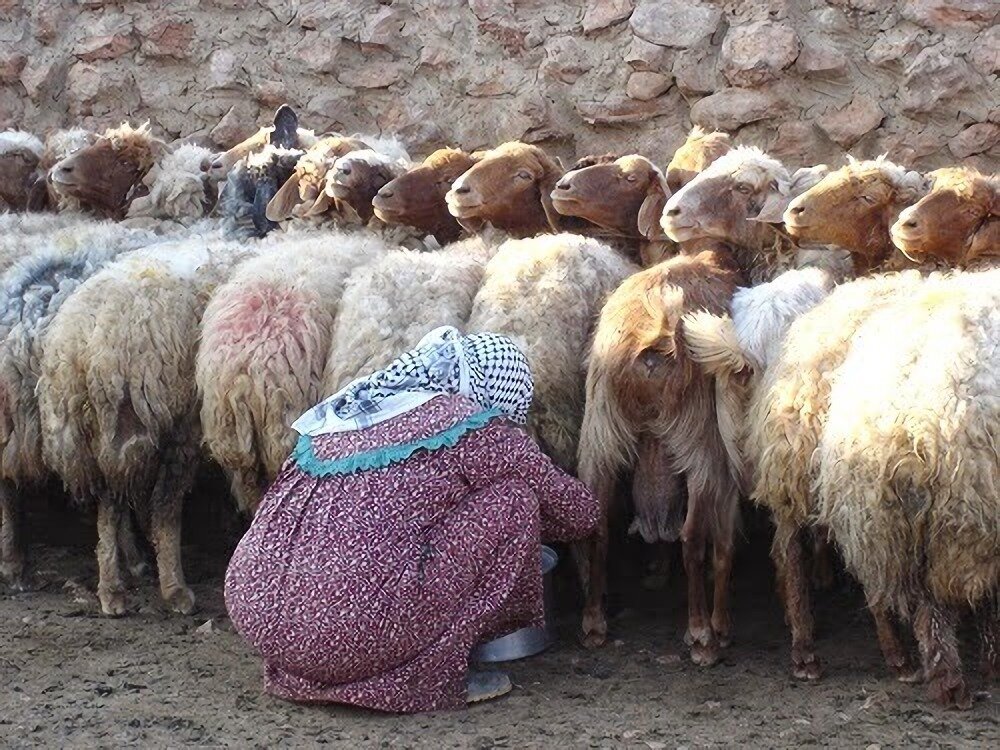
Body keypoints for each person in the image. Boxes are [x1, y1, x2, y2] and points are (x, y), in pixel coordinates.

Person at [224, 326, 598, 713]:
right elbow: (578, 513)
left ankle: (315, 666)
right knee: (514, 500)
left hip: (261, 616)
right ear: (497, 394)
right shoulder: (472, 424)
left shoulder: (348, 410)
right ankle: (432, 671)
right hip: (351, 628)